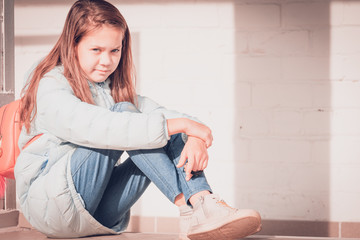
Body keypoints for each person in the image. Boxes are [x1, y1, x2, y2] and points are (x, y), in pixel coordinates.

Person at [15, 0, 261, 239]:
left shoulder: (110, 89)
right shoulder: (50, 85)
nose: (107, 61)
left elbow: (166, 116)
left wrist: (194, 134)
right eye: (96, 50)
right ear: (73, 45)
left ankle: (198, 205)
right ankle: (192, 206)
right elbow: (100, 127)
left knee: (159, 126)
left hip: (101, 212)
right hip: (55, 208)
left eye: (115, 50)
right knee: (128, 118)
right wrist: (183, 126)